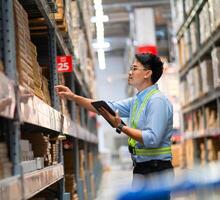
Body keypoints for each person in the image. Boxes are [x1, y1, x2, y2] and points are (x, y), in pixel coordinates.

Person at [55, 53, 174, 199]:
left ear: (147, 73)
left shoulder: (157, 101)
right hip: (142, 167)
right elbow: (106, 107)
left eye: (134, 68)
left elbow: (152, 139)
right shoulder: (137, 101)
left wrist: (121, 127)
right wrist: (73, 97)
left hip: (156, 171)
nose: (130, 72)